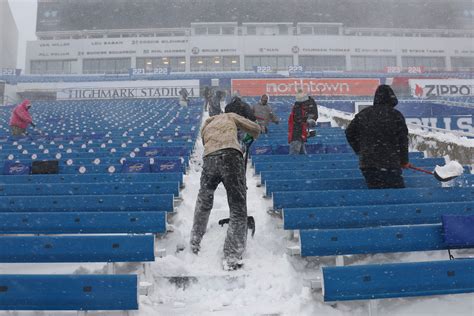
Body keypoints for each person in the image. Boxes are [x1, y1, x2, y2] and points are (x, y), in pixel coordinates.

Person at [190, 110, 261, 271]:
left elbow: (206, 143)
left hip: (209, 159)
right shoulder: (230, 116)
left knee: (204, 202)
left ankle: (195, 242)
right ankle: (231, 256)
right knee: (237, 207)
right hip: (231, 156)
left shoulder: (206, 124)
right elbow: (256, 129)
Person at [345, 84, 409, 189]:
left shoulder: (364, 114)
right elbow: (403, 140)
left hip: (368, 164)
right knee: (397, 194)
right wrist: (404, 161)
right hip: (391, 163)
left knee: (376, 191)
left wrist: (360, 150)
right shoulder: (396, 115)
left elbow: (349, 132)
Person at [288, 90, 310, 155]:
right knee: (294, 156)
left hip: (299, 136)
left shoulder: (299, 108)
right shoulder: (298, 109)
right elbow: (299, 122)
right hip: (296, 137)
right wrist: (307, 121)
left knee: (301, 156)